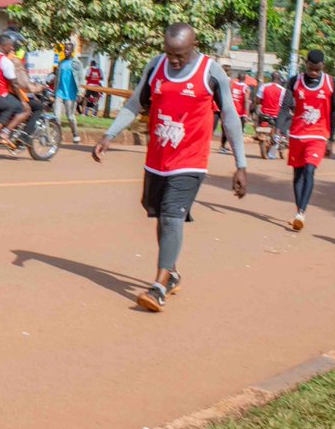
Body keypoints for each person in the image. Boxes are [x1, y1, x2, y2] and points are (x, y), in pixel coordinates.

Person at [92, 23, 247, 313]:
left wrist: (241, 164)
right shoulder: (155, 67)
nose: (175, 60)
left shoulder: (210, 72)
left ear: (194, 45)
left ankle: (159, 286)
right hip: (157, 160)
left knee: (172, 216)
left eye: (181, 55)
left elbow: (230, 117)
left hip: (191, 161)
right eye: (170, 53)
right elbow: (134, 104)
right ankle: (172, 273)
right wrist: (109, 135)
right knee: (161, 215)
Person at [275, 50, 335, 232]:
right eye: (311, 69)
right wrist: (279, 128)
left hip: (318, 135)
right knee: (298, 175)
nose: (314, 73)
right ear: (306, 64)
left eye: (317, 70)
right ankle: (298, 212)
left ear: (323, 67)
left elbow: (334, 112)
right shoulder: (295, 81)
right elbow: (285, 106)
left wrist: (331, 138)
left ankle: (301, 212)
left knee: (310, 170)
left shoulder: (331, 82)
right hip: (297, 134)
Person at [0, 34, 28, 145]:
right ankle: (3, 132)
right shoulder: (4, 60)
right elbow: (14, 83)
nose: (12, 49)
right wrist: (22, 99)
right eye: (11, 46)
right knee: (23, 109)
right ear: (5, 46)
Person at [54, 45, 83, 144]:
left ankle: (75, 134)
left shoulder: (77, 63)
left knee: (70, 117)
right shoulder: (61, 63)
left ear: (72, 51)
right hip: (60, 93)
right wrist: (54, 92)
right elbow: (57, 78)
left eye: (68, 49)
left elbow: (80, 79)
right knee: (56, 116)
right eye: (65, 49)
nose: (65, 51)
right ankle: (58, 137)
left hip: (71, 94)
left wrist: (80, 93)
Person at [220, 70, 248, 153]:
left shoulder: (232, 84)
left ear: (238, 78)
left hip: (230, 110)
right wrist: (246, 113)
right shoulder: (246, 87)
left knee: (226, 128)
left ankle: (223, 146)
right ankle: (237, 148)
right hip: (240, 112)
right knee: (240, 130)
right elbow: (246, 100)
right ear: (245, 78)